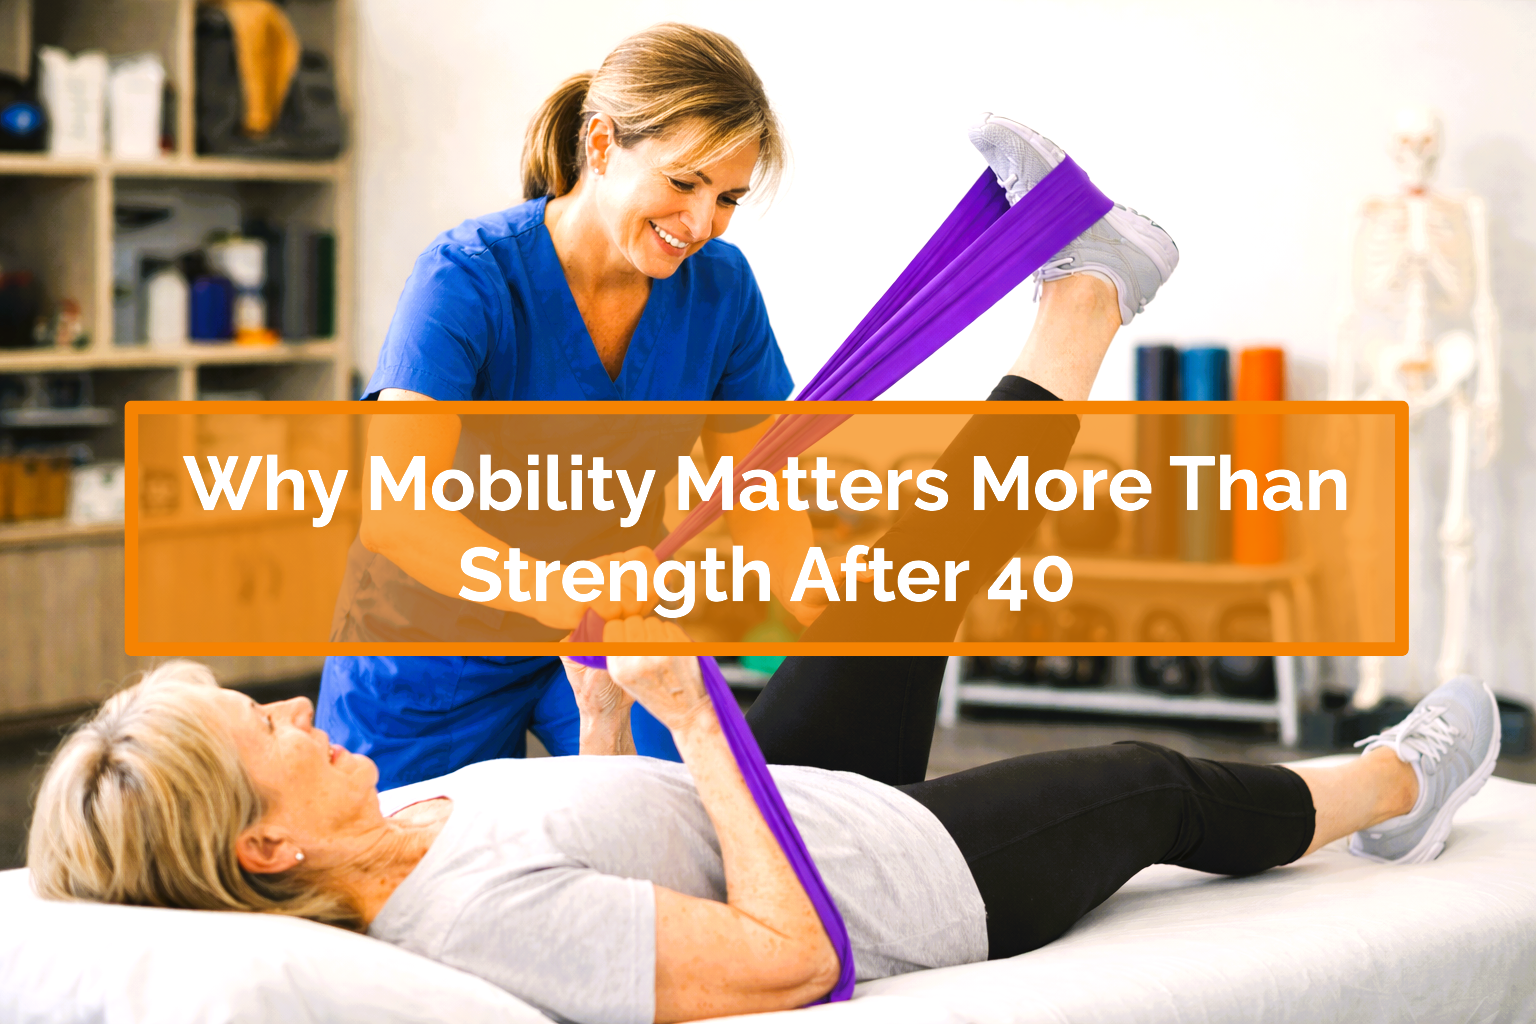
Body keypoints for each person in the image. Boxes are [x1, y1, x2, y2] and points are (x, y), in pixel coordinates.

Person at [28, 158, 1503, 1022]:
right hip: (889, 882)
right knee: (1145, 781)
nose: (289, 701)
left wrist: (610, 714)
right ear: (269, 848)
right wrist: (685, 709)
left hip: (784, 798)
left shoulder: (396, 833)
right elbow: (792, 962)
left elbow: (607, 828)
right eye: (259, 728)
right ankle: (1392, 786)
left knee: (906, 568)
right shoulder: (464, 923)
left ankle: (1094, 288)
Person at [320, 24, 823, 786]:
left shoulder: (720, 289)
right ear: (598, 145)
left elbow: (761, 490)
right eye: (683, 182)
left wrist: (833, 623)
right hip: (430, 648)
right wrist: (564, 591)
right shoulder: (466, 279)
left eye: (727, 198)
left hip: (607, 638)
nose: (700, 223)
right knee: (397, 882)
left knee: (695, 829)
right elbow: (401, 514)